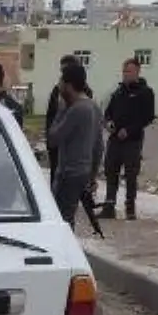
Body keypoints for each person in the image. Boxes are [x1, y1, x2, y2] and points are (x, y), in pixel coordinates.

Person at [47, 60, 103, 227]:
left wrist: (61, 109)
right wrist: (92, 176)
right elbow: (99, 147)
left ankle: (64, 251)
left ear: (69, 85)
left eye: (61, 82)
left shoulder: (76, 109)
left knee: (61, 220)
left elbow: (53, 138)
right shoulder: (93, 107)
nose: (59, 86)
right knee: (68, 217)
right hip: (83, 173)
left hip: (68, 173)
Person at [100, 58, 156, 220]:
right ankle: (109, 206)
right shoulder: (118, 92)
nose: (125, 74)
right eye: (124, 71)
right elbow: (108, 112)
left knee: (131, 174)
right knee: (111, 171)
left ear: (137, 72)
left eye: (129, 71)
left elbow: (148, 116)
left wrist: (130, 130)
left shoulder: (145, 92)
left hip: (133, 140)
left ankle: (130, 207)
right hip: (115, 139)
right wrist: (108, 123)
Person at [46, 56, 91, 184]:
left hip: (71, 163)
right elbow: (50, 116)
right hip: (60, 150)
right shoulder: (57, 91)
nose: (62, 78)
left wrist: (62, 109)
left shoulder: (81, 103)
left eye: (65, 72)